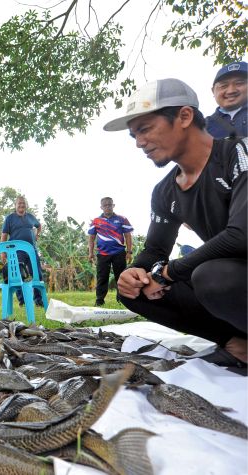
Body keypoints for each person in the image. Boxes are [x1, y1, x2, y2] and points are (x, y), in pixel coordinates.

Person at [103, 78, 247, 368]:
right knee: (134, 290)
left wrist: (168, 272)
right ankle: (239, 345)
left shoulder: (238, 154)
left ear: (184, 116)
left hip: (230, 275)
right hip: (232, 278)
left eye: (145, 129)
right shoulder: (165, 191)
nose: (139, 143)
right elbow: (155, 249)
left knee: (212, 277)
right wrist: (134, 272)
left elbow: (242, 235)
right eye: (134, 135)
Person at [87, 197, 133, 306]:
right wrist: (90, 253)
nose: (107, 207)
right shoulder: (96, 221)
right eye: (105, 205)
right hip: (103, 254)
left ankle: (122, 300)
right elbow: (91, 238)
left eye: (109, 204)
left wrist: (129, 252)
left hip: (119, 253)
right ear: (101, 207)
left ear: (113, 205)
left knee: (121, 277)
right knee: (102, 277)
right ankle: (99, 301)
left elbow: (128, 235)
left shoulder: (122, 219)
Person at [0, 196, 44, 306]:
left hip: (31, 250)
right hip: (16, 252)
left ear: (26, 205)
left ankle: (38, 300)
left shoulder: (31, 217)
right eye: (19, 203)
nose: (21, 205)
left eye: (23, 203)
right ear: (15, 205)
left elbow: (39, 226)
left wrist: (37, 235)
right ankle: (22, 301)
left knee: (37, 274)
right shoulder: (10, 218)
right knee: (18, 276)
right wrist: (3, 252)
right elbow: (4, 235)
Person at [206, 61, 247, 139]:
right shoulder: (203, 126)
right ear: (213, 91)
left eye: (239, 83)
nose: (231, 91)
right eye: (223, 86)